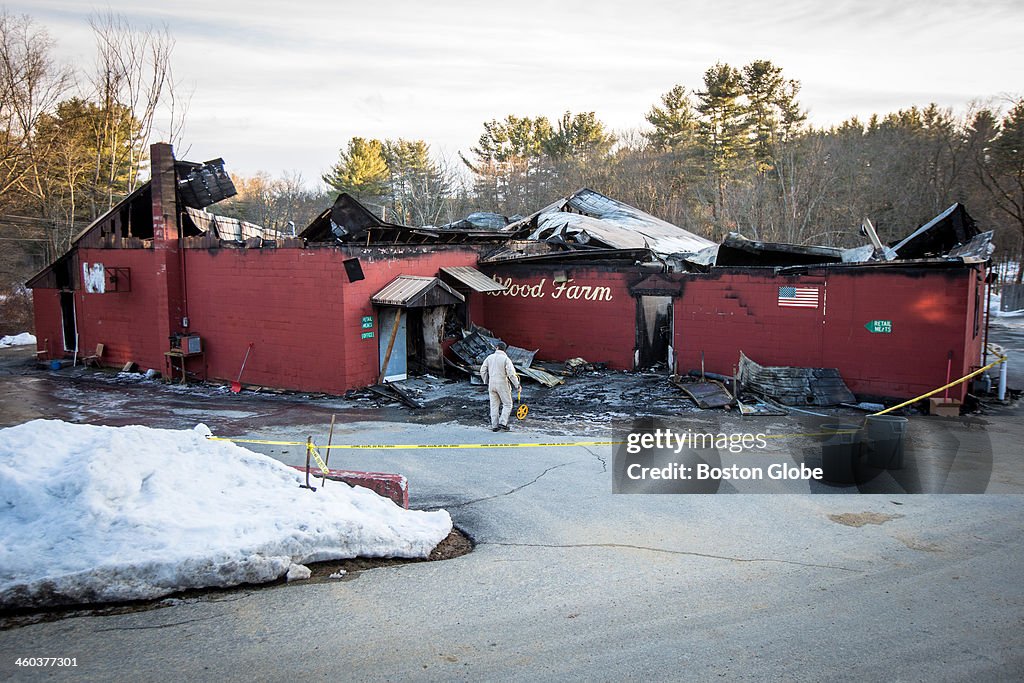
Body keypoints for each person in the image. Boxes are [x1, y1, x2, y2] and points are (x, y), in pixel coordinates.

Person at [480, 342, 520, 431]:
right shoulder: (506, 359)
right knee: (507, 404)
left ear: (497, 347)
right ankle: (503, 422)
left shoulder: (489, 358)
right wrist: (517, 385)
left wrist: (486, 381)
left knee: (494, 406)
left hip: (491, 383)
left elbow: (482, 370)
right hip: (502, 383)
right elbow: (511, 374)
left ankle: (494, 426)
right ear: (504, 350)